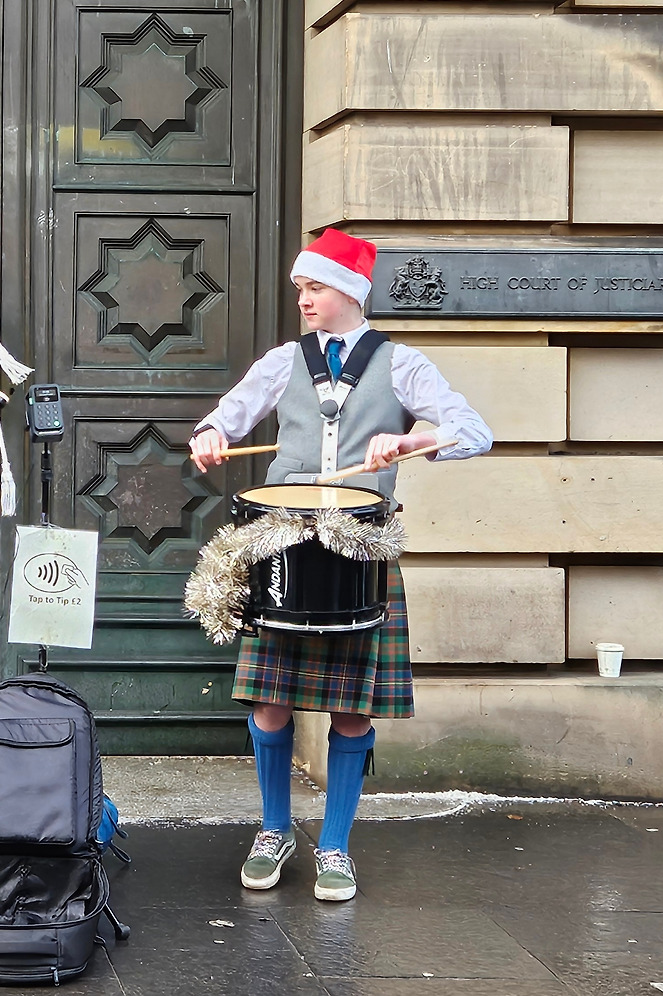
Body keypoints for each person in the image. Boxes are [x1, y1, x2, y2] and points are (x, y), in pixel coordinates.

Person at [189, 229, 492, 902]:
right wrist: (210, 435)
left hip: (360, 547)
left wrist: (410, 440)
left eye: (315, 287)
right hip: (283, 542)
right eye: (300, 288)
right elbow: (227, 419)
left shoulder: (402, 364)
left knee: (351, 713)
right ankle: (274, 829)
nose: (304, 299)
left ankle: (334, 845)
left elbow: (475, 432)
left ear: (351, 292)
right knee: (270, 701)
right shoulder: (283, 361)